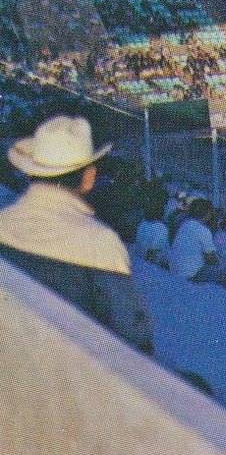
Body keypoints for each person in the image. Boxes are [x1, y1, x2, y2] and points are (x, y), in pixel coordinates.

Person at [0, 115, 152, 353]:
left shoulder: (3, 222)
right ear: (89, 177)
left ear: (30, 173)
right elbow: (135, 333)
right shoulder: (99, 241)